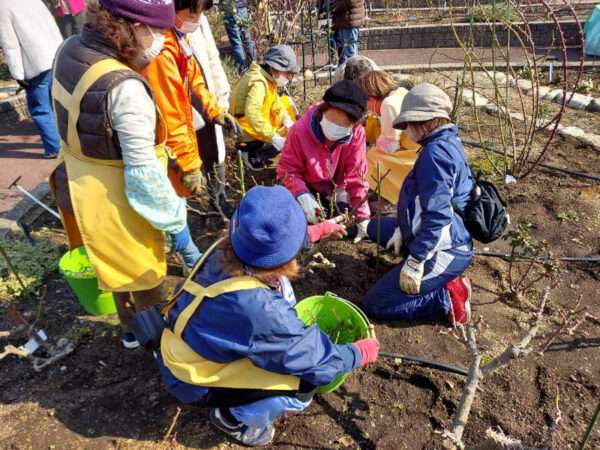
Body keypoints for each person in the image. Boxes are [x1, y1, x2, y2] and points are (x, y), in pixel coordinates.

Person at [157, 185, 379, 447]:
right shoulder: (261, 310)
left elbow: (265, 245)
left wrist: (315, 232)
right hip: (192, 378)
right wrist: (357, 353)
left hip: (187, 342)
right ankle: (232, 419)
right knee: (303, 386)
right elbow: (318, 363)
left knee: (281, 301)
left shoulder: (229, 246)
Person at [49, 0, 194, 348]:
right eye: (158, 31)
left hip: (83, 181)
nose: (162, 39)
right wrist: (177, 225)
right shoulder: (124, 88)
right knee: (143, 274)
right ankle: (158, 345)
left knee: (111, 263)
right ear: (134, 27)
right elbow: (144, 176)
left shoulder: (72, 48)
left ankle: (129, 330)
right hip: (120, 195)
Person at [360, 83, 474, 326]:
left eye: (410, 123)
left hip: (445, 248)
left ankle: (447, 297)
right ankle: (378, 232)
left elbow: (438, 217)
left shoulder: (436, 155)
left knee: (375, 305)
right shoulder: (444, 143)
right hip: (429, 234)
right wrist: (403, 227)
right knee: (373, 227)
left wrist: (415, 260)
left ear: (426, 121)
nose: (407, 130)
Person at [143, 0, 238, 204]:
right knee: (171, 200)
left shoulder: (178, 37)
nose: (197, 20)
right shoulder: (161, 50)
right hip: (163, 142)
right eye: (193, 14)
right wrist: (188, 164)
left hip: (178, 135)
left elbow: (195, 79)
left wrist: (214, 111)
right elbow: (171, 112)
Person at [276, 80, 371, 243]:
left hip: (337, 188)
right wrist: (302, 194)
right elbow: (288, 169)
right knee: (294, 220)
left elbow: (356, 174)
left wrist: (362, 216)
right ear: (322, 112)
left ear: (354, 125)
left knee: (343, 215)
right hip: (308, 186)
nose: (335, 128)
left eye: (343, 125)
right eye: (332, 121)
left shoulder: (356, 134)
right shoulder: (300, 131)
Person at [187, 2, 235, 216]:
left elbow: (211, 57)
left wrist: (222, 99)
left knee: (214, 153)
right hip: (183, 109)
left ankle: (219, 201)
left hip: (207, 99)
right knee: (190, 162)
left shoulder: (197, 19)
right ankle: (200, 207)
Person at [0, 0, 63, 159]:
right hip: (56, 56)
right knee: (59, 105)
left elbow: (10, 43)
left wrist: (17, 74)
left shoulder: (3, 6)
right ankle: (69, 146)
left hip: (36, 63)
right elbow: (52, 26)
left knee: (40, 109)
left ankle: (54, 148)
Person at [230, 44, 299, 171]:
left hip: (251, 122)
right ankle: (252, 154)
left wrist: (286, 119)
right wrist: (273, 137)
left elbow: (275, 102)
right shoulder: (259, 83)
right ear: (275, 69)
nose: (289, 77)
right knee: (282, 140)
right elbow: (253, 115)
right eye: (287, 73)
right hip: (245, 128)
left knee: (287, 106)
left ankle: (261, 148)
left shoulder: (266, 78)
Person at [356, 70, 421, 203]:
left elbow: (391, 145)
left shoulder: (388, 104)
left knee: (371, 158)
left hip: (412, 152)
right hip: (419, 146)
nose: (367, 107)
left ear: (371, 97)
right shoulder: (400, 92)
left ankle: (384, 195)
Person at [319, 0, 365, 65]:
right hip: (340, 20)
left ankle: (351, 73)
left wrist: (332, 6)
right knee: (343, 55)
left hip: (349, 20)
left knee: (350, 55)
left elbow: (351, 1)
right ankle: (343, 71)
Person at [219, 0, 255, 74]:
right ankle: (254, 66)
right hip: (242, 7)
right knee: (247, 39)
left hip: (229, 8)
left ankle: (243, 70)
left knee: (236, 42)